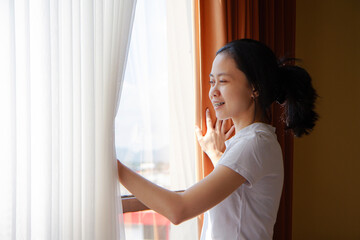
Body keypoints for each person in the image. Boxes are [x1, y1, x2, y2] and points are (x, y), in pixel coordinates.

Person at [117, 38, 318, 239]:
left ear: (254, 87)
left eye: (222, 81)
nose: (213, 91)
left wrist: (116, 168)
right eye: (212, 81)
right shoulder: (257, 142)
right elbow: (239, 196)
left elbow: (179, 210)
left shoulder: (254, 143)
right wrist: (216, 155)